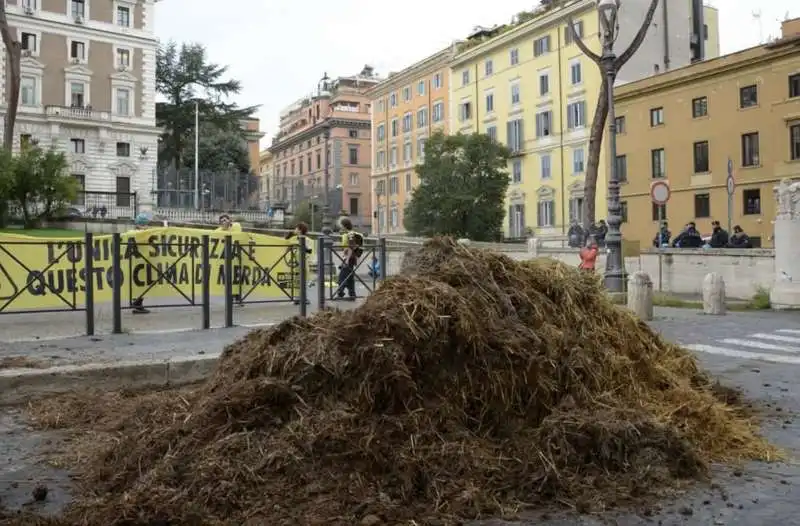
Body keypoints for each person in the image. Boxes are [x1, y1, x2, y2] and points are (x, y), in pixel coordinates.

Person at [335, 218, 362, 301]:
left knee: (342, 277)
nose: (340, 227)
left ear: (344, 225)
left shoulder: (350, 234)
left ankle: (340, 293)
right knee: (349, 277)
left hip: (349, 258)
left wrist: (347, 259)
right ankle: (352, 294)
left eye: (341, 225)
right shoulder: (348, 234)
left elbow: (351, 247)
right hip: (349, 258)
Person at [129, 213, 150, 314]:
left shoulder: (131, 232)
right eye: (146, 224)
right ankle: (137, 303)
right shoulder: (141, 234)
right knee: (140, 284)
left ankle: (137, 302)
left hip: (137, 263)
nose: (147, 227)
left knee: (139, 284)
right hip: (138, 263)